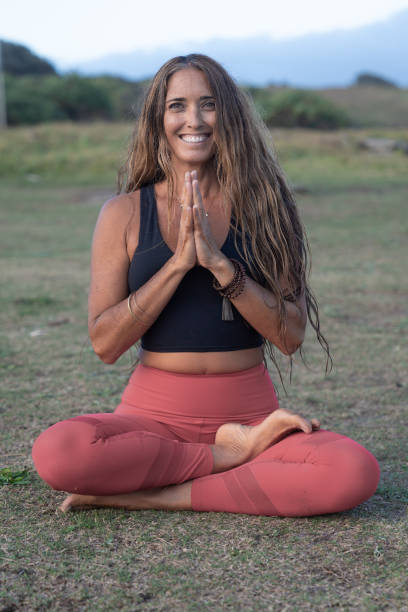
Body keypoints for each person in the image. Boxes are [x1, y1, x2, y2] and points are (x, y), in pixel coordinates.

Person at [32, 54, 380, 516]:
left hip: (251, 417)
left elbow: (290, 336)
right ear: (159, 120)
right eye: (177, 105)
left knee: (353, 471)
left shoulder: (267, 208)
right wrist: (177, 266)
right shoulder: (124, 213)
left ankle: (164, 493)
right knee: (60, 451)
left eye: (208, 104)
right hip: (153, 418)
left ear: (230, 116)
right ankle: (224, 460)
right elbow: (105, 344)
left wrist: (222, 268)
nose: (193, 119)